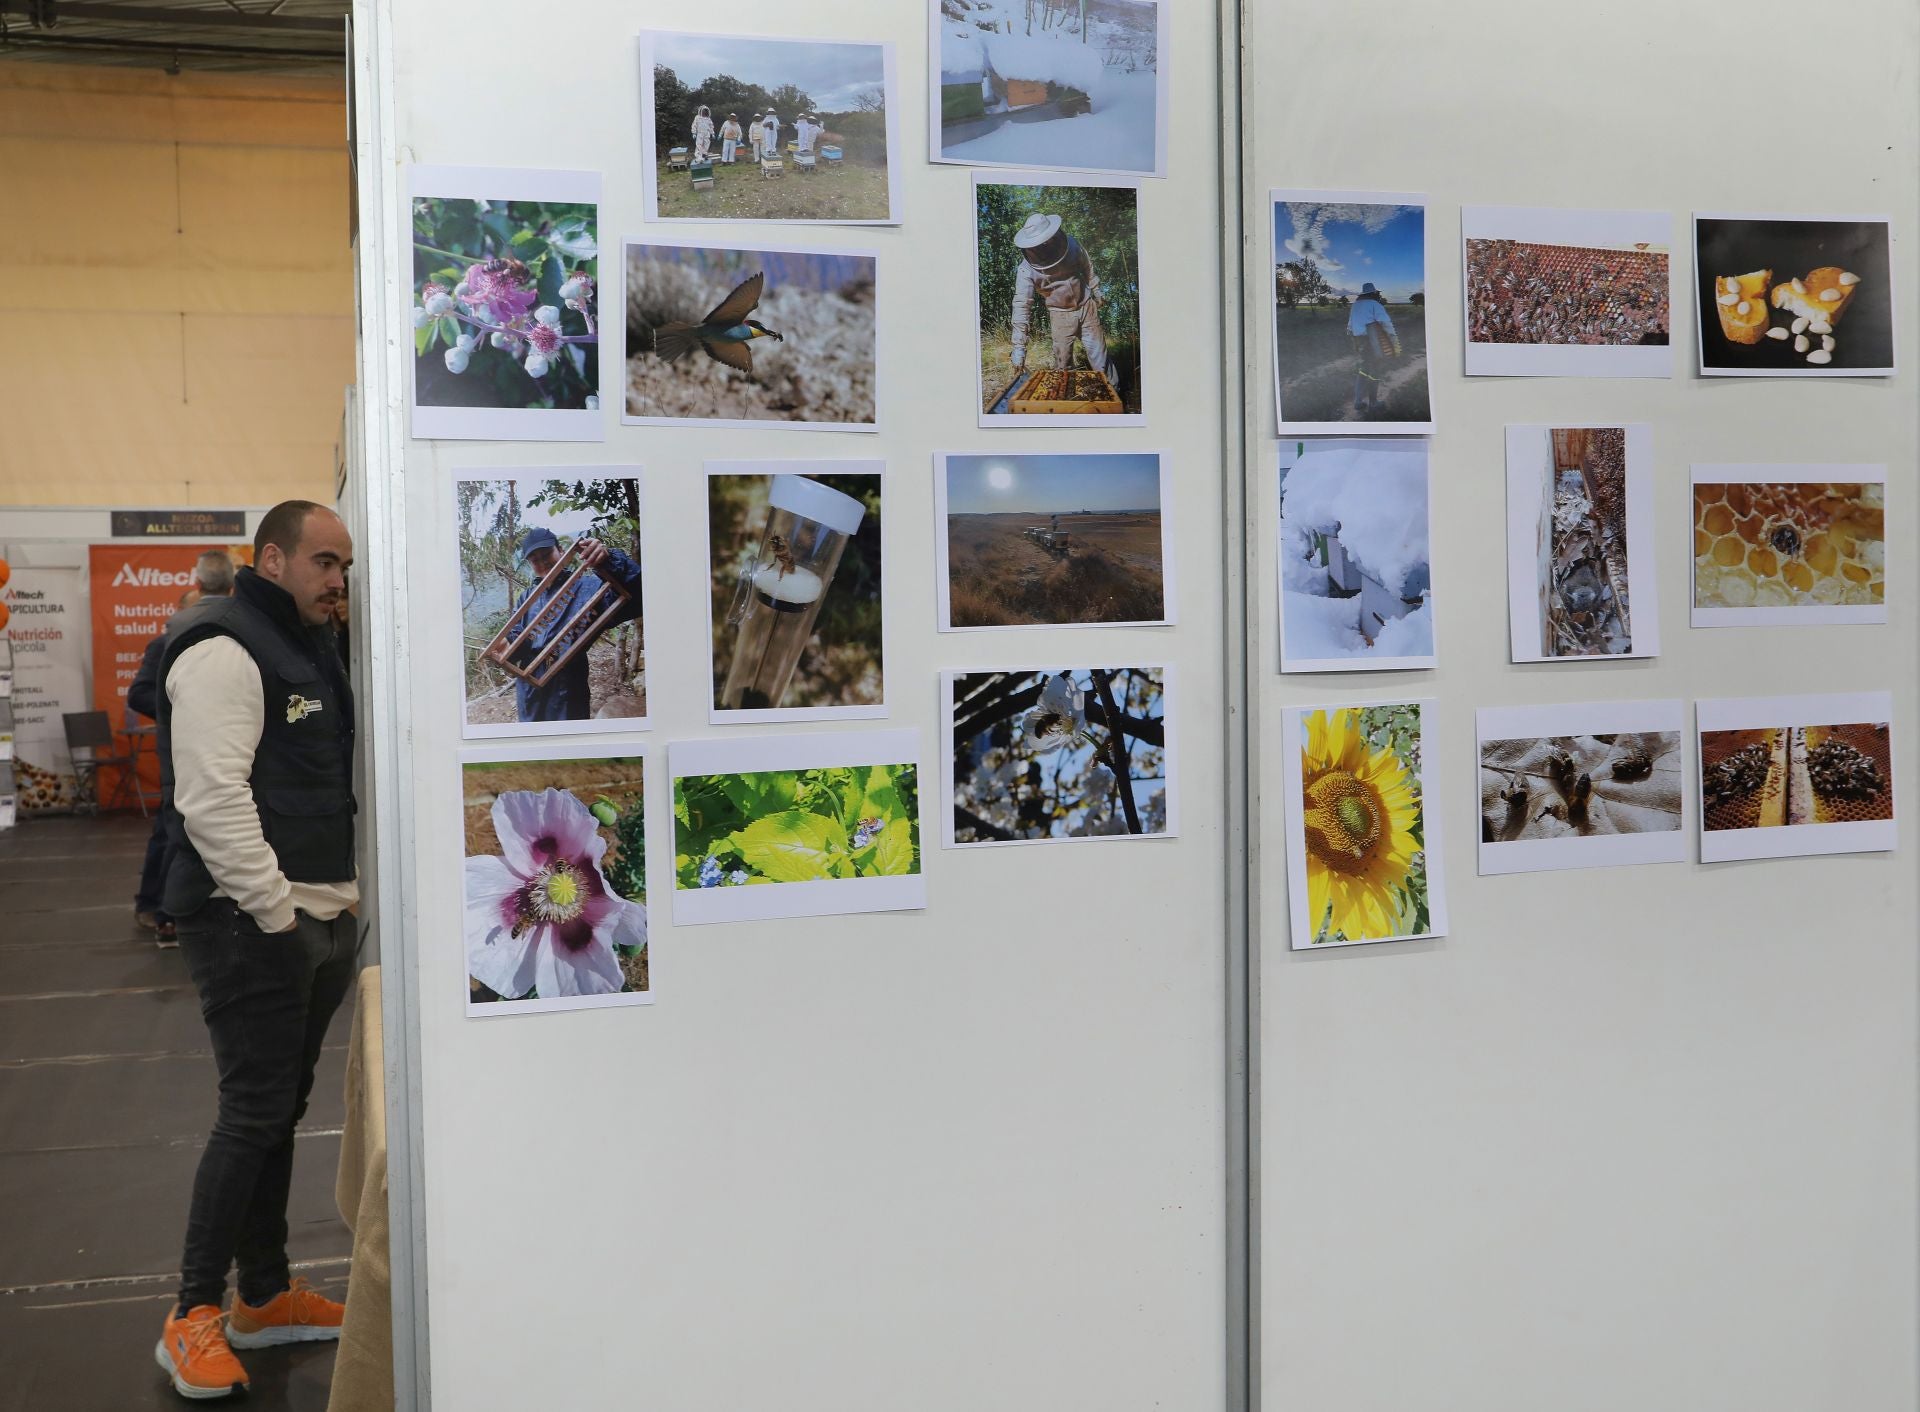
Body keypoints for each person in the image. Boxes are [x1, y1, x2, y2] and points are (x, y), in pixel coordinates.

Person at [152, 501, 356, 1400]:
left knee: (277, 1110)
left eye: (343, 566)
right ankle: (191, 1313)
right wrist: (278, 914)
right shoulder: (223, 647)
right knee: (252, 1113)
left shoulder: (312, 643)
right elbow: (210, 798)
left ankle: (263, 1299)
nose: (337, 580)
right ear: (270, 558)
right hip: (252, 924)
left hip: (314, 919)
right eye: (322, 562)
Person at [130, 550, 236, 947]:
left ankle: (172, 911)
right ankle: (160, 911)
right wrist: (177, 712)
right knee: (171, 832)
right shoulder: (166, 643)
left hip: (217, 750)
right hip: (178, 752)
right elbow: (140, 694)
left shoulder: (236, 637)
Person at [505, 526, 644, 723]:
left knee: (568, 744)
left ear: (561, 551)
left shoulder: (589, 587)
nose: (543, 562)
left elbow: (638, 598)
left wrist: (609, 560)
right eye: (535, 560)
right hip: (529, 686)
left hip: (567, 685)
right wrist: (508, 645)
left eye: (546, 554)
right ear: (529, 564)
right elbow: (517, 639)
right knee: (532, 744)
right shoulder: (527, 598)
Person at [1007, 211, 1120, 395]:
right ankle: (1068, 403)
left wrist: (1097, 289)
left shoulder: (1071, 244)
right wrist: (1018, 349)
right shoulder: (1025, 270)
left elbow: (1087, 266)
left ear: (1052, 236)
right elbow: (1021, 306)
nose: (1045, 246)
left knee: (1101, 360)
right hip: (1060, 315)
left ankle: (1116, 398)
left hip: (1086, 307)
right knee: (1064, 366)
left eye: (1047, 241)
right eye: (1039, 244)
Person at [1347, 281, 1400, 417]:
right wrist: (1394, 343)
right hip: (1373, 341)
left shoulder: (1355, 305)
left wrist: (1355, 343)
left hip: (1360, 342)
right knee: (1375, 371)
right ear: (1374, 293)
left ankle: (1358, 402)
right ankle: (1373, 403)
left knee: (1363, 370)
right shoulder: (1375, 305)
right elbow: (1386, 325)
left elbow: (1349, 326)